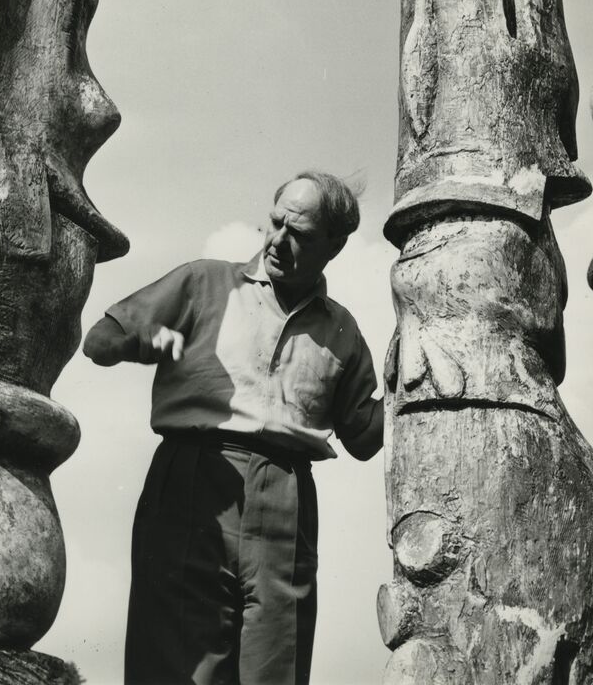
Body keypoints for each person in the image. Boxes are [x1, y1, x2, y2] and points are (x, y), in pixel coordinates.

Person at [83, 170, 383, 685]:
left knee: (275, 663)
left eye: (300, 236)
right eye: (274, 223)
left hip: (286, 496)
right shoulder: (204, 282)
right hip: (195, 480)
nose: (278, 242)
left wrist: (406, 391)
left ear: (334, 247)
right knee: (178, 664)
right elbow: (99, 341)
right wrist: (143, 341)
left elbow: (363, 437)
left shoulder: (343, 331)